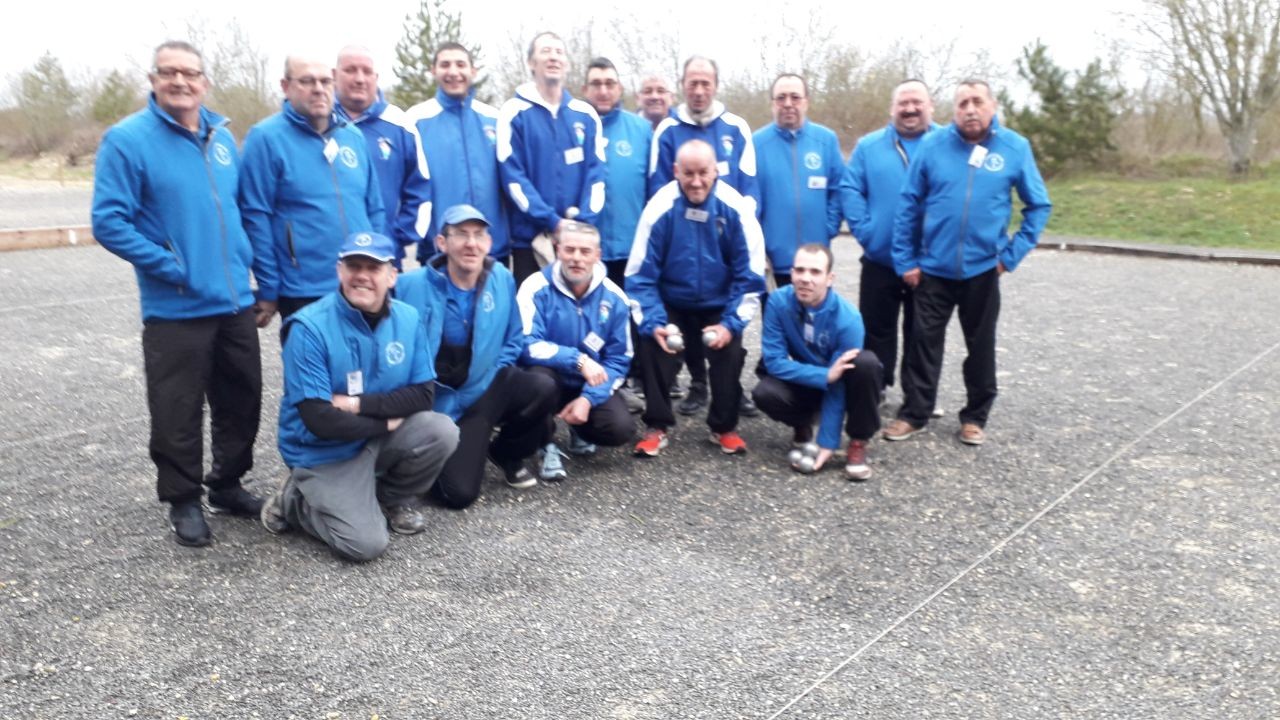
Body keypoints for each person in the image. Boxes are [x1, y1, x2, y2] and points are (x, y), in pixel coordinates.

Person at [92, 40, 264, 547]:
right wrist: (169, 264)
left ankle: (227, 485)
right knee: (177, 409)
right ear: (153, 79)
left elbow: (237, 209)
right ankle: (184, 499)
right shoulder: (127, 140)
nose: (180, 82)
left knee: (241, 400)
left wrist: (247, 262)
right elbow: (108, 221)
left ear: (204, 82)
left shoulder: (223, 136)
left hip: (233, 300)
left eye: (190, 73)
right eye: (169, 73)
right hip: (176, 304)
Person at [259, 232, 459, 561]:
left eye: (373, 267)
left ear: (392, 275)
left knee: (441, 430)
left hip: (368, 433)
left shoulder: (408, 319)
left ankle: (386, 498)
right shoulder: (309, 328)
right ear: (340, 271)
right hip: (323, 451)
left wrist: (356, 405)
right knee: (366, 545)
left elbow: (423, 396)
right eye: (354, 266)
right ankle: (294, 500)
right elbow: (319, 419)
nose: (362, 276)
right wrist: (388, 424)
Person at [885, 80, 1052, 446]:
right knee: (922, 344)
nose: (970, 109)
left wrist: (1010, 256)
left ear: (992, 106)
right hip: (932, 270)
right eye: (963, 103)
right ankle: (915, 413)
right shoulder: (933, 146)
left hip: (983, 270)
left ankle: (975, 417)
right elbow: (909, 205)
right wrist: (906, 260)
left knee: (981, 347)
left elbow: (1038, 206)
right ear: (953, 110)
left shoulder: (1014, 148)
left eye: (978, 102)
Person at [396, 205, 559, 507]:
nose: (471, 243)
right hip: (436, 404)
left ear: (488, 243)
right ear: (442, 244)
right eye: (461, 234)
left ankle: (505, 452)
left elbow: (513, 338)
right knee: (459, 495)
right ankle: (453, 449)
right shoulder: (408, 286)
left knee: (543, 387)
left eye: (479, 235)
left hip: (482, 390)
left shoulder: (501, 279)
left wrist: (491, 373)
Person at [626, 139, 766, 456]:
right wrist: (654, 322)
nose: (696, 181)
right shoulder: (659, 208)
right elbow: (640, 276)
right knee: (652, 346)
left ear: (716, 170)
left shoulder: (736, 210)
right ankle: (657, 426)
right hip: (672, 303)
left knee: (729, 354)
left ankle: (724, 428)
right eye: (688, 173)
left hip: (718, 305)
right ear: (676, 171)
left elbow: (750, 278)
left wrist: (730, 325)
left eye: (703, 172)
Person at [647, 55, 760, 417]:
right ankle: (698, 383)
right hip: (682, 241)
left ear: (715, 84)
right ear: (682, 85)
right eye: (692, 83)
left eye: (705, 83)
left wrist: (741, 232)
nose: (699, 90)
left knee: (726, 321)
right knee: (688, 317)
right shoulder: (667, 129)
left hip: (725, 239)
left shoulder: (736, 127)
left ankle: (731, 389)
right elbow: (657, 188)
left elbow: (749, 186)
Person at [240, 54, 384, 326]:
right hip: (304, 287)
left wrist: (380, 263)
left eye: (324, 81)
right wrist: (269, 286)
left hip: (361, 282)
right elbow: (255, 217)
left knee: (367, 365)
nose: (318, 88)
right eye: (307, 81)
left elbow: (374, 206)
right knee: (310, 366)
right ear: (286, 86)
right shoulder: (266, 138)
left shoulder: (352, 136)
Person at [840, 79, 939, 396]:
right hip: (880, 258)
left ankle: (918, 396)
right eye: (903, 103)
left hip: (929, 261)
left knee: (922, 333)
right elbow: (850, 188)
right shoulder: (869, 146)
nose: (910, 109)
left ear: (930, 106)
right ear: (892, 108)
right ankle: (877, 387)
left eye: (917, 103)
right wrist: (866, 232)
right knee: (876, 330)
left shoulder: (947, 143)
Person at [516, 221, 635, 479]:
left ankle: (578, 428)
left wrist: (588, 399)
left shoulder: (615, 298)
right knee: (537, 380)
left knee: (620, 428)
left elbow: (619, 360)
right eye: (570, 250)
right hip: (548, 378)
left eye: (585, 251)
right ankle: (544, 442)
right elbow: (525, 344)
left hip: (587, 384)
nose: (576, 258)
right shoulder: (534, 287)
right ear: (557, 250)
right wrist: (578, 360)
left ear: (597, 255)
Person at [753, 244, 883, 480]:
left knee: (866, 364)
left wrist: (827, 443)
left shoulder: (849, 319)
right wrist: (824, 376)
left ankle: (858, 441)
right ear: (791, 273)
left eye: (815, 272)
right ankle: (803, 424)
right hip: (814, 380)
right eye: (799, 270)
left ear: (829, 278)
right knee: (765, 391)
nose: (805, 279)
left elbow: (839, 382)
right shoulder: (777, 303)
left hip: (842, 386)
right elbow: (774, 361)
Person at [497, 31, 606, 283]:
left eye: (558, 52)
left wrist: (581, 225)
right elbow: (513, 178)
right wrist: (552, 221)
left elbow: (597, 174)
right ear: (531, 63)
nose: (553, 57)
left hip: (578, 241)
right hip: (532, 241)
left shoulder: (585, 114)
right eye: (545, 51)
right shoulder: (514, 112)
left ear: (567, 63)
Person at [405, 42, 512, 265]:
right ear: (433, 71)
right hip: (440, 250)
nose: (453, 72)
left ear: (473, 71)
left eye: (460, 64)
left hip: (491, 248)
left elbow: (512, 177)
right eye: (445, 65)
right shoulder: (415, 120)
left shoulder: (494, 118)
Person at [333, 45, 431, 269]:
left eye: (367, 72)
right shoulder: (319, 122)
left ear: (376, 78)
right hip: (330, 259)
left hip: (384, 257)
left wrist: (395, 239)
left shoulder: (399, 124)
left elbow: (420, 190)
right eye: (350, 70)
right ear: (334, 75)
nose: (360, 79)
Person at [753, 74, 843, 287]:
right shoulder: (755, 143)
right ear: (772, 104)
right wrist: (759, 246)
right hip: (774, 263)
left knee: (816, 319)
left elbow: (838, 190)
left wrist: (827, 227)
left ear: (806, 102)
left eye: (795, 97)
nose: (788, 104)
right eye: (781, 98)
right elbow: (748, 201)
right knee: (777, 319)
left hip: (816, 262)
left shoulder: (826, 140)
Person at [582, 57, 652, 287]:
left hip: (632, 250)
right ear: (585, 89)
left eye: (610, 84)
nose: (603, 91)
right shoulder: (572, 128)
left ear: (620, 89)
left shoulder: (641, 130)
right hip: (584, 252)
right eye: (596, 84)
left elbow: (655, 190)